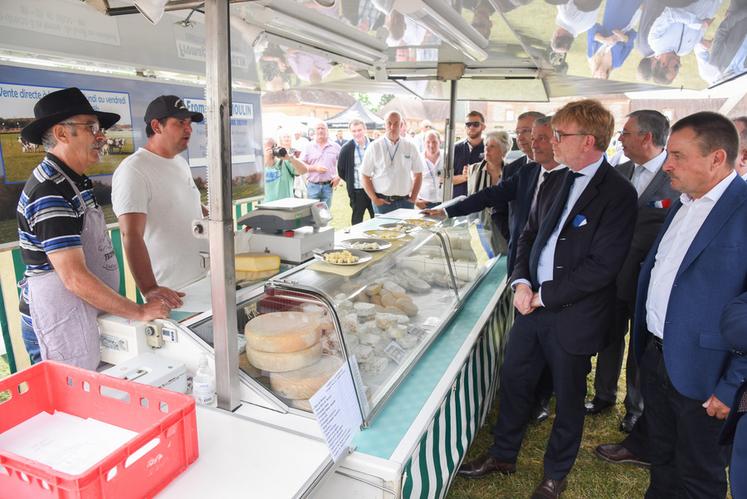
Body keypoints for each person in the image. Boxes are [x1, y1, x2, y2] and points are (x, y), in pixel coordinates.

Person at [457, 99, 637, 499]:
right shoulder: (555, 178)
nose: (551, 142)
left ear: (589, 140)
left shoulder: (618, 193)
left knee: (569, 398)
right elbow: (528, 235)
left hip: (573, 316)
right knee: (515, 381)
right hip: (530, 306)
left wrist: (544, 296)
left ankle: (555, 474)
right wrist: (521, 282)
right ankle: (503, 454)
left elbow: (602, 267)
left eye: (560, 135)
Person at [632, 111, 747, 499]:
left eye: (679, 156)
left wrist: (733, 387)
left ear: (717, 158)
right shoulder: (684, 202)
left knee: (699, 476)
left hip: (707, 376)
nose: (667, 164)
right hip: (658, 358)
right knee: (662, 461)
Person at [424, 117, 566, 424]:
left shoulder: (573, 179)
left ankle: (543, 396)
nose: (529, 140)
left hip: (556, 281)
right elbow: (491, 197)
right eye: (524, 134)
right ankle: (522, 400)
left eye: (535, 135)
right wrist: (448, 208)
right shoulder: (528, 172)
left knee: (552, 343)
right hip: (521, 267)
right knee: (525, 340)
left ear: (558, 140)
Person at [16, 87, 169, 369]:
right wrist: (138, 310)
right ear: (62, 134)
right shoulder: (49, 191)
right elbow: (74, 277)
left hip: (81, 314)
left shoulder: (74, 181)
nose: (102, 137)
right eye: (92, 127)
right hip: (61, 323)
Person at [586, 111, 677, 436]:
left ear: (646, 138)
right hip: (611, 278)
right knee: (609, 337)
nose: (619, 138)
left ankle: (636, 408)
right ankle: (603, 394)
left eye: (625, 133)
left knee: (641, 346)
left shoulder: (675, 177)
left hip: (648, 282)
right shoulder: (618, 172)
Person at [112, 95, 207, 304]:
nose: (188, 129)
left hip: (203, 279)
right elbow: (131, 234)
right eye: (180, 123)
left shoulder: (180, 163)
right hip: (172, 291)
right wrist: (150, 289)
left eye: (189, 123)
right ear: (156, 126)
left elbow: (182, 205)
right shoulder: (134, 170)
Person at [361, 110, 424, 214]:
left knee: (405, 230)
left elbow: (418, 174)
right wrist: (374, 199)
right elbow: (365, 176)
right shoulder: (375, 146)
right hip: (383, 203)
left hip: (405, 202)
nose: (392, 127)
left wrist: (413, 197)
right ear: (384, 125)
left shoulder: (410, 146)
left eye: (396, 124)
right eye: (389, 123)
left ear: (401, 125)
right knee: (382, 230)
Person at [465, 131, 511, 253]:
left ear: (503, 150)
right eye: (486, 145)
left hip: (503, 229)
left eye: (492, 146)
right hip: (479, 227)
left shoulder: (511, 171)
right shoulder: (474, 169)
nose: (487, 149)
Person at [337, 119, 374, 224]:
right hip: (358, 192)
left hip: (376, 190)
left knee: (378, 218)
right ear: (350, 132)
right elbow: (341, 171)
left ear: (365, 130)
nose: (357, 133)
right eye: (354, 131)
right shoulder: (346, 148)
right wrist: (351, 180)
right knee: (357, 221)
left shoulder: (375, 144)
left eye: (359, 130)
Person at [297, 120, 341, 208]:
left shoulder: (335, 147)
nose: (320, 130)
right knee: (312, 215)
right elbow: (300, 165)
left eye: (323, 128)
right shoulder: (308, 147)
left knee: (325, 214)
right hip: (312, 186)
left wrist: (339, 177)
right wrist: (314, 168)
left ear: (327, 130)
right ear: (315, 131)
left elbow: (344, 164)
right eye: (318, 128)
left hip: (328, 186)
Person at [262, 137, 310, 202]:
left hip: (285, 206)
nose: (271, 151)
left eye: (273, 147)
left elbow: (304, 170)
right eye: (267, 148)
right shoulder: (259, 166)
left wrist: (290, 158)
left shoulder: (285, 162)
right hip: (266, 206)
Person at [452, 111, 486, 198]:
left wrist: (474, 174)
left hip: (481, 201)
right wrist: (465, 177)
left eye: (476, 124)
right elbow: (444, 179)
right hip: (457, 202)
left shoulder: (489, 148)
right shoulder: (455, 148)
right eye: (468, 124)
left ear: (483, 127)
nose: (471, 127)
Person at [415, 130, 443, 209]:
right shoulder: (418, 159)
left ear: (440, 142)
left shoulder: (447, 157)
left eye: (434, 142)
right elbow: (410, 181)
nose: (431, 145)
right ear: (424, 143)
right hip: (424, 204)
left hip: (444, 203)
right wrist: (415, 200)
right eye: (428, 142)